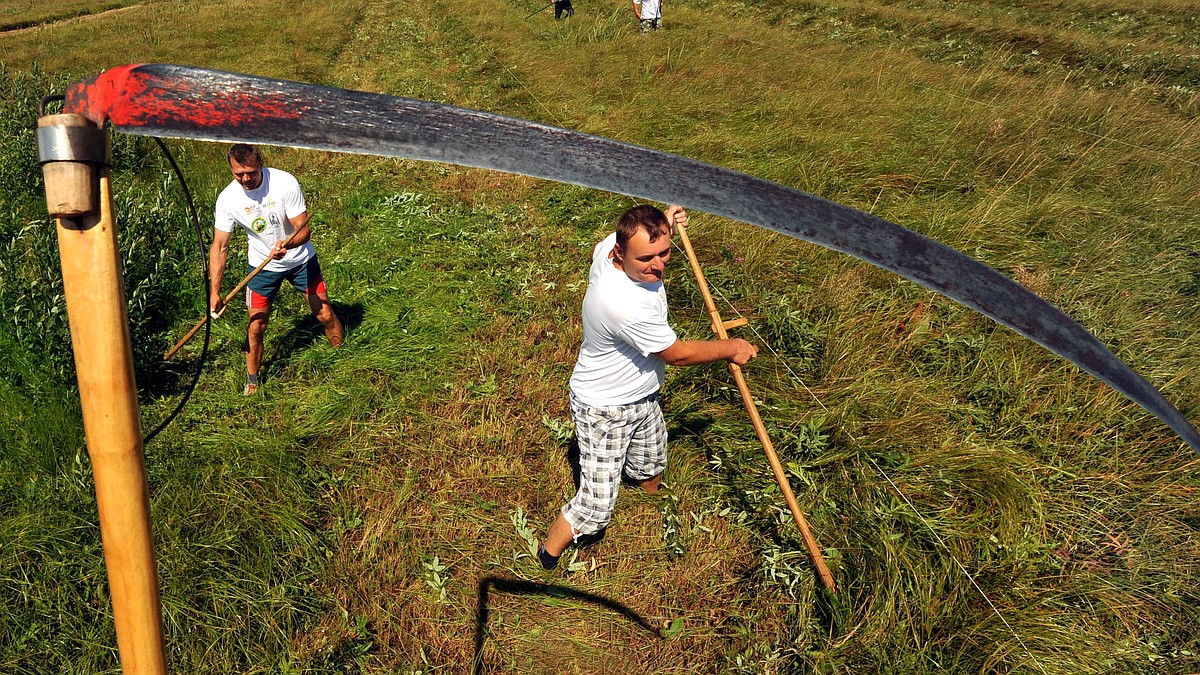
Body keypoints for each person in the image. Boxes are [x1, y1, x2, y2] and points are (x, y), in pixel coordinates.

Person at [538, 204, 758, 569]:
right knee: (596, 507)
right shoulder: (623, 304)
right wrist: (731, 348)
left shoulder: (610, 247)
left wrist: (665, 222)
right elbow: (678, 355)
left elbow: (634, 237)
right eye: (647, 258)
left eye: (665, 252)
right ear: (620, 254)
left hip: (641, 396)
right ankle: (548, 552)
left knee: (651, 458)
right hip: (604, 409)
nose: (658, 265)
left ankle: (651, 505)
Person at [209, 144, 344, 396]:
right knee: (256, 325)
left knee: (324, 314)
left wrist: (288, 244)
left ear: (260, 164)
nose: (246, 179)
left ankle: (344, 357)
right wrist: (215, 292)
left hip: (301, 260)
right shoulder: (228, 199)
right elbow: (219, 246)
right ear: (231, 170)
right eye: (239, 174)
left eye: (250, 172)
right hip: (262, 268)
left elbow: (303, 229)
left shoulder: (284, 182)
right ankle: (252, 381)